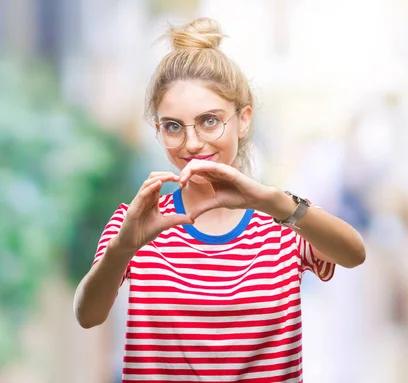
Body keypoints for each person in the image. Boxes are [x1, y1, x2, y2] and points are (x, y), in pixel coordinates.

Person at [72, 17, 366, 382]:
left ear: (243, 120)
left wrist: (278, 204)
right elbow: (88, 315)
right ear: (158, 129)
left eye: (210, 121)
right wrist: (123, 248)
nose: (192, 144)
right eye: (173, 126)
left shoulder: (283, 219)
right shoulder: (136, 222)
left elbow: (354, 254)